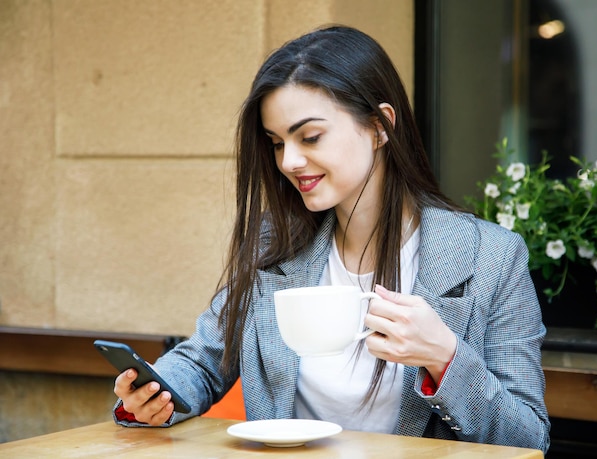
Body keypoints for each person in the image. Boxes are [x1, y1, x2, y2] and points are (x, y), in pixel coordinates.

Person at [113, 25, 550, 453]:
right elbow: (203, 361)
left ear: (381, 126)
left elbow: (528, 438)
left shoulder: (491, 257)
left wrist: (445, 357)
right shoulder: (275, 242)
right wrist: (154, 393)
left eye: (310, 137)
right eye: (277, 142)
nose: (290, 161)